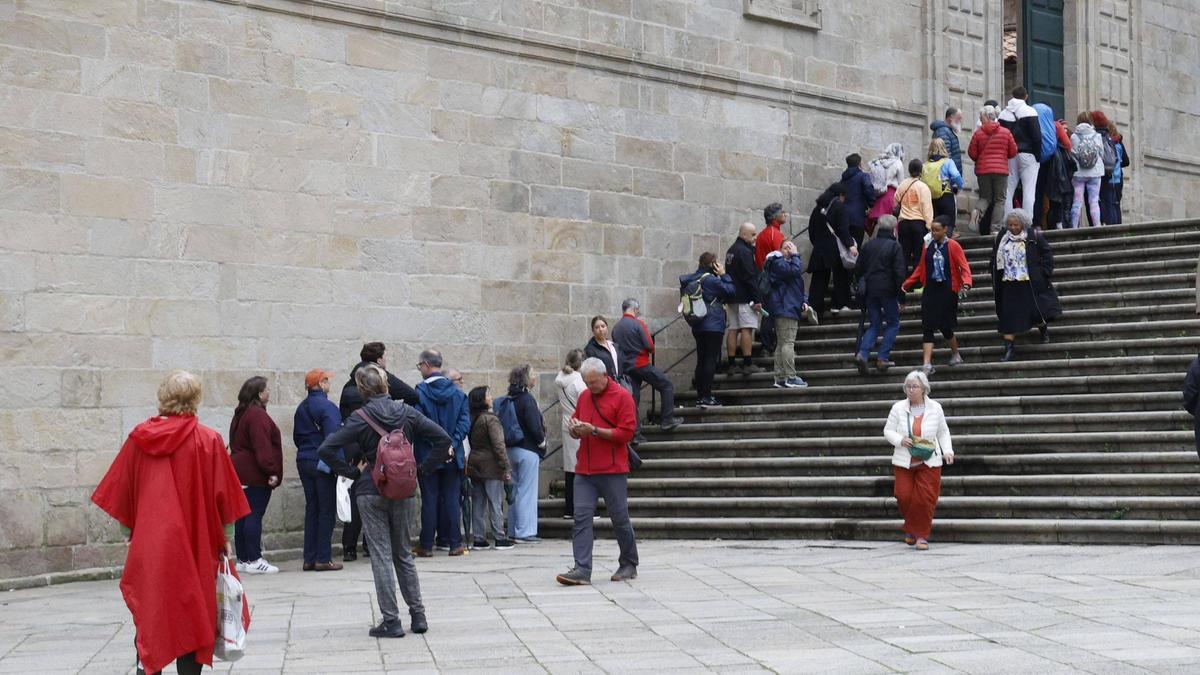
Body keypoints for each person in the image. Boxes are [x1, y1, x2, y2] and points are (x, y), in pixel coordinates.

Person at [92, 371, 250, 675]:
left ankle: (147, 665)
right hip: (196, 541)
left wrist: (129, 531)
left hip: (151, 543)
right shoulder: (208, 440)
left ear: (163, 396)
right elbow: (225, 496)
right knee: (194, 611)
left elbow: (124, 488)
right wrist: (227, 537)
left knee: (151, 608)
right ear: (195, 398)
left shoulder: (139, 439)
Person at [317, 364, 453, 638]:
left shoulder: (359, 417)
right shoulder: (407, 412)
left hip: (371, 489)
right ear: (386, 386)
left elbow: (326, 449)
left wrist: (352, 473)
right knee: (403, 553)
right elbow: (443, 439)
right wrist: (422, 470)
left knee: (381, 555)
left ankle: (391, 620)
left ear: (362, 390)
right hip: (404, 488)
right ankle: (418, 615)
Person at [556, 357, 639, 586]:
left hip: (612, 469)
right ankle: (582, 569)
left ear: (605, 376)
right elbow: (577, 422)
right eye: (586, 382)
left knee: (619, 518)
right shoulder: (585, 396)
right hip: (585, 469)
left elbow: (626, 433)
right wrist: (575, 429)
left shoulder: (622, 397)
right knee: (581, 518)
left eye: (593, 382)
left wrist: (595, 431)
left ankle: (629, 562)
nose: (589, 386)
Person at [339, 341, 420, 562]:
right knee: (380, 490)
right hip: (379, 444)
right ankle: (370, 544)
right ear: (378, 360)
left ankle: (349, 547)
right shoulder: (382, 378)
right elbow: (412, 395)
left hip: (355, 444)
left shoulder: (348, 385)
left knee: (360, 493)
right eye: (385, 357)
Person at [883, 370, 955, 551]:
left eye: (914, 386)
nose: (911, 389)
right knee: (903, 495)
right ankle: (912, 528)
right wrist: (900, 440)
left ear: (924, 389)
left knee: (924, 499)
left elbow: (943, 431)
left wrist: (947, 450)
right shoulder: (898, 408)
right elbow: (888, 430)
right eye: (908, 386)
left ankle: (921, 536)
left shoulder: (935, 408)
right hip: (904, 460)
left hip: (930, 460)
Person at [413, 349, 470, 557]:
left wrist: (437, 445)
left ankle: (426, 544)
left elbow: (418, 424)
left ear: (426, 365)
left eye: (420, 365)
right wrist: (450, 445)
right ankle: (455, 543)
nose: (420, 369)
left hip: (427, 454)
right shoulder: (459, 394)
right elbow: (464, 423)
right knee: (452, 499)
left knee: (429, 500)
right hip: (452, 454)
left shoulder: (419, 393)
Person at [902, 218, 973, 375]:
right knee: (927, 326)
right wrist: (907, 283)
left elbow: (963, 266)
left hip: (948, 290)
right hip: (930, 289)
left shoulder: (953, 246)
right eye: (932, 230)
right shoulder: (927, 245)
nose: (933, 233)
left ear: (945, 229)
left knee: (945, 325)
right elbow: (921, 267)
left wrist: (967, 282)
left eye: (937, 230)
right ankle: (927, 364)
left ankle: (956, 353)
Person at [229, 375, 282, 574]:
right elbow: (262, 446)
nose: (269, 391)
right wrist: (271, 470)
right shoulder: (257, 415)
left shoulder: (241, 413)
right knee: (253, 514)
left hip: (240, 471)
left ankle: (243, 558)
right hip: (254, 473)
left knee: (243, 516)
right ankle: (254, 559)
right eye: (267, 389)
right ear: (259, 394)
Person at [992, 210, 1062, 361]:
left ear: (1022, 224)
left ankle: (1043, 330)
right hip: (1008, 282)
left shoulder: (1033, 236)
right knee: (1007, 317)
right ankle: (1009, 350)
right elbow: (995, 257)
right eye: (1010, 225)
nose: (1012, 228)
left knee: (1035, 312)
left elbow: (1047, 255)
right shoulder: (1002, 237)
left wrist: (1043, 273)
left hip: (1028, 281)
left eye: (1016, 225)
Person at [293, 369, 343, 572]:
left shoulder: (301, 407)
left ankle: (309, 557)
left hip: (304, 459)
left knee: (312, 508)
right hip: (322, 462)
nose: (329, 384)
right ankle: (323, 558)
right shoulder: (327, 407)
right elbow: (334, 438)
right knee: (326, 510)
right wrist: (341, 466)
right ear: (321, 384)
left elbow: (297, 437)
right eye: (327, 381)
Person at [612, 299, 683, 432]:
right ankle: (667, 419)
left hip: (626, 368)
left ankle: (635, 433)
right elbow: (649, 345)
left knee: (633, 399)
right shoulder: (638, 324)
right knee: (666, 385)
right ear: (635, 309)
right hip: (641, 364)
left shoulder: (616, 328)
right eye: (638, 310)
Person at [679, 252, 738, 407]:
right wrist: (724, 275)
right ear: (713, 264)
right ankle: (706, 397)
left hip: (698, 324)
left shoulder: (692, 279)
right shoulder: (710, 280)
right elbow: (731, 291)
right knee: (710, 360)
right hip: (713, 324)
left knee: (701, 360)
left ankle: (701, 396)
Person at [854, 215, 906, 374]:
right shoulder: (895, 246)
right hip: (888, 290)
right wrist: (901, 296)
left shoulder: (868, 245)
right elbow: (899, 273)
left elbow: (858, 269)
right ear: (894, 229)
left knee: (875, 324)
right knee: (893, 323)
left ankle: (863, 353)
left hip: (870, 290)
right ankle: (882, 358)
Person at [500, 364, 546, 543]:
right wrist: (542, 442)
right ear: (526, 379)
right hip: (528, 449)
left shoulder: (509, 398)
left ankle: (513, 529)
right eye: (532, 374)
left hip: (510, 449)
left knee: (515, 491)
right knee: (527, 491)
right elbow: (534, 425)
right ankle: (525, 532)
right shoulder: (527, 399)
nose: (535, 377)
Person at [465, 386, 514, 550]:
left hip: (475, 463)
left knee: (478, 502)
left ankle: (479, 538)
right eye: (488, 395)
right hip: (491, 465)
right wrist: (506, 467)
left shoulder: (472, 418)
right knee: (495, 501)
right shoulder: (491, 420)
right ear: (482, 400)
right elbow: (499, 446)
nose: (491, 397)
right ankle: (499, 536)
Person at [762, 239, 812, 388]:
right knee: (788, 343)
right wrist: (796, 255)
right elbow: (795, 271)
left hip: (786, 307)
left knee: (782, 343)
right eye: (786, 248)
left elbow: (795, 285)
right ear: (779, 250)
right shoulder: (778, 262)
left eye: (791, 247)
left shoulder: (785, 264)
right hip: (785, 308)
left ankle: (780, 377)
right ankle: (790, 377)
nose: (790, 250)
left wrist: (804, 301)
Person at [806, 183, 857, 319]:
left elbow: (812, 231)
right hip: (835, 249)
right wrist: (850, 245)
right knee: (841, 276)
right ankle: (839, 304)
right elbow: (843, 229)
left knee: (819, 279)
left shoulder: (817, 209)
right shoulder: (840, 207)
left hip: (819, 249)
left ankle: (814, 307)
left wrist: (819, 244)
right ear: (841, 195)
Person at [967, 104, 1017, 236]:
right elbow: (1013, 151)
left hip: (983, 171)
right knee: (1000, 200)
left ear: (987, 117)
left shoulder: (978, 133)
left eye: (981, 116)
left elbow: (972, 153)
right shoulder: (1006, 132)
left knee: (985, 197)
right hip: (1001, 171)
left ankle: (977, 211)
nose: (980, 119)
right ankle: (995, 229)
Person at [724, 222, 763, 375]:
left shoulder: (731, 250)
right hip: (745, 297)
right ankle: (747, 362)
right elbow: (750, 277)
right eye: (753, 234)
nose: (755, 237)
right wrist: (757, 299)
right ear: (744, 234)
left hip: (732, 297)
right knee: (747, 328)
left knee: (733, 328)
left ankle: (732, 363)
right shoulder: (744, 252)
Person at [999, 86, 1043, 218]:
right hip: (1028, 154)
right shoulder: (1030, 111)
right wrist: (1038, 156)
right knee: (1029, 191)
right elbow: (1037, 137)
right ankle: (1027, 221)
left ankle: (1007, 221)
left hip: (1010, 155)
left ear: (1012, 95)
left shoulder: (1003, 114)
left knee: (1008, 190)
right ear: (1026, 96)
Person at [555, 349, 587, 518]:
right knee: (582, 466)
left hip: (567, 423)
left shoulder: (561, 379)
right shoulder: (578, 382)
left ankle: (570, 508)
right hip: (579, 423)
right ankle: (581, 507)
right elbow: (586, 403)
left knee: (570, 468)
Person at [895, 159, 934, 272]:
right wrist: (930, 226)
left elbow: (895, 200)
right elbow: (927, 208)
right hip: (918, 223)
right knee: (918, 255)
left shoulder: (902, 185)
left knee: (903, 254)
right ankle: (916, 279)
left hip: (903, 223)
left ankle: (902, 279)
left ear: (909, 170)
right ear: (921, 171)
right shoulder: (923, 187)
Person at [1068, 111, 1105, 228]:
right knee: (1094, 201)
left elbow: (1072, 154)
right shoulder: (1097, 136)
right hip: (1095, 173)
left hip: (1078, 174)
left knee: (1077, 202)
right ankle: (1097, 226)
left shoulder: (1074, 137)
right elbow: (1101, 154)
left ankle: (1073, 227)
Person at [1094, 112, 1131, 225]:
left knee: (1108, 204)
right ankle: (1118, 228)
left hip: (1109, 178)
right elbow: (1126, 161)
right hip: (1118, 179)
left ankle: (1112, 228)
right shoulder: (1119, 143)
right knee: (1116, 205)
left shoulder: (1107, 142)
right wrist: (1118, 164)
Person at [922, 138, 964, 233]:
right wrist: (960, 186)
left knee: (934, 226)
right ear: (944, 148)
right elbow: (956, 175)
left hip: (931, 199)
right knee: (948, 224)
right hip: (945, 196)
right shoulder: (948, 162)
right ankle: (946, 240)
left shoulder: (925, 165)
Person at [866, 143, 906, 235]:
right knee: (891, 223)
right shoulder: (898, 163)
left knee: (878, 222)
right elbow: (901, 184)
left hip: (879, 195)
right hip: (891, 195)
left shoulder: (878, 161)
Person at [840, 153, 877, 246]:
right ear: (859, 164)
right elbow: (869, 190)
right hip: (857, 218)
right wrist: (872, 204)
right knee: (856, 247)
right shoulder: (863, 176)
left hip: (843, 216)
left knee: (844, 247)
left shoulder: (843, 179)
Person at [584, 315, 621, 380]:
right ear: (593, 331)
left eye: (603, 326)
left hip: (617, 383)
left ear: (607, 328)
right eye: (597, 327)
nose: (601, 329)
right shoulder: (590, 350)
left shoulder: (614, 346)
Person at [930, 107, 964, 175]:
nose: (960, 121)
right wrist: (953, 174)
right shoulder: (943, 131)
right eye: (959, 118)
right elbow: (945, 156)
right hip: (948, 175)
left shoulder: (947, 131)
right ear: (951, 117)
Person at [754, 202, 787, 270]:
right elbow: (782, 259)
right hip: (772, 273)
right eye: (782, 212)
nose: (785, 215)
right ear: (774, 216)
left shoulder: (761, 234)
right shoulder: (775, 234)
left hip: (763, 273)